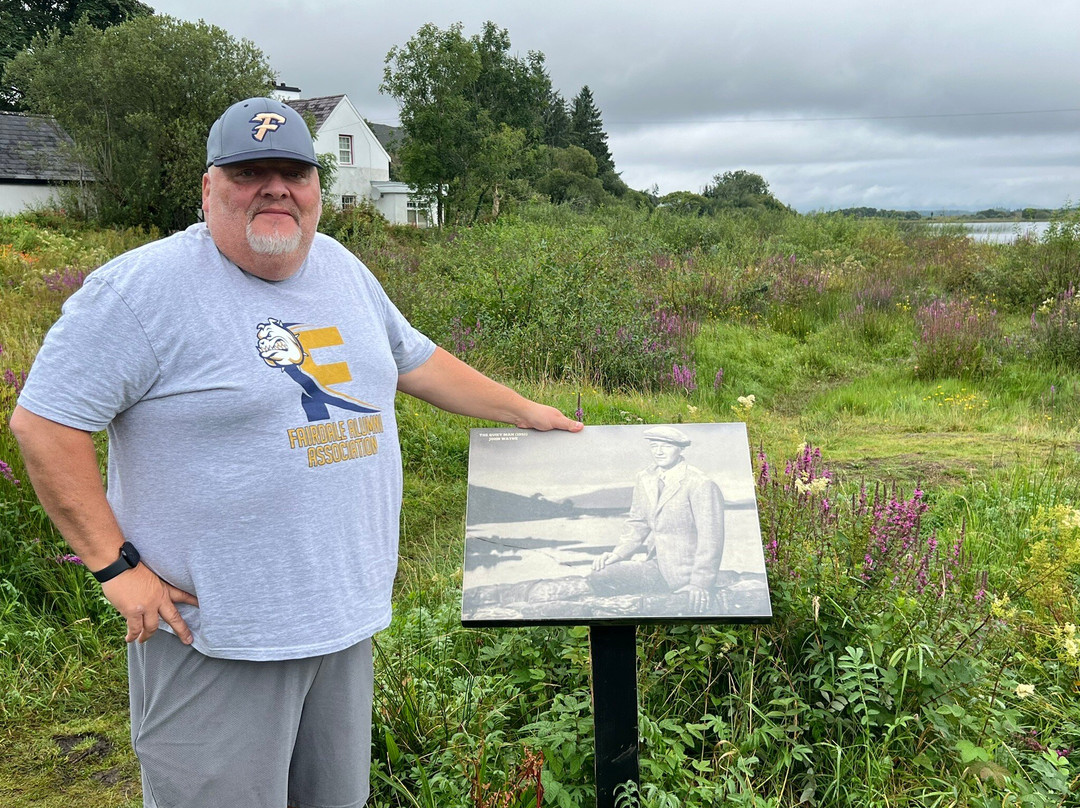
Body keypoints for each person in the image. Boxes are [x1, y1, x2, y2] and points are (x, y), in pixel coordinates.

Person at [9, 97, 582, 808]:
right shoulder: (138, 292)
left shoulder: (341, 268)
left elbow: (415, 361)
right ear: (209, 187)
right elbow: (45, 425)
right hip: (216, 637)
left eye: (294, 171)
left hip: (343, 620)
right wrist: (116, 568)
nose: (275, 187)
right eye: (250, 171)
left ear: (317, 189)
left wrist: (525, 410)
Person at [590, 426, 724, 611]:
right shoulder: (645, 478)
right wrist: (618, 554)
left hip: (683, 572)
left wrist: (700, 584)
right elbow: (638, 522)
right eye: (654, 446)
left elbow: (711, 538)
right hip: (655, 564)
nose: (659, 452)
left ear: (680, 449)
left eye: (666, 446)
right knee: (601, 573)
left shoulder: (700, 483)